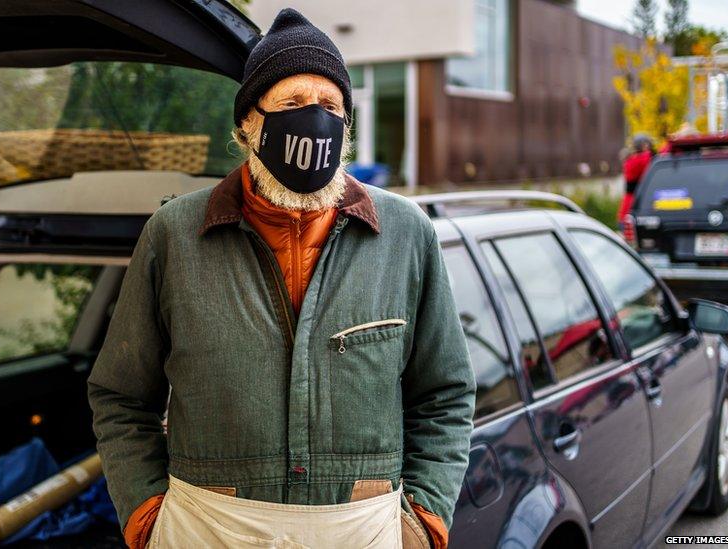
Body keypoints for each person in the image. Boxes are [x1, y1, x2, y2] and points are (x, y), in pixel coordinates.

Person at [88, 9, 475, 549]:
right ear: (248, 124)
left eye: (329, 106)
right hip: (207, 526)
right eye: (292, 104)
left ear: (346, 127)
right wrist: (147, 512)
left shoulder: (406, 236)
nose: (313, 120)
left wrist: (424, 519)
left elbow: (446, 394)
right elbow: (120, 394)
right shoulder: (174, 236)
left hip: (363, 528)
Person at [617, 133, 655, 228]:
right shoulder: (641, 160)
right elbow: (653, 157)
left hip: (627, 211)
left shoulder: (631, 160)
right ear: (644, 145)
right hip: (632, 212)